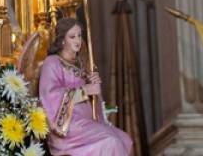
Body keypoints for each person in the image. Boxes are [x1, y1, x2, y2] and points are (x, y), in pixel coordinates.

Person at [38, 17, 133, 155]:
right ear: (62, 40)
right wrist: (85, 91)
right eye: (72, 36)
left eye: (79, 35)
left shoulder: (82, 63)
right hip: (69, 127)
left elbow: (94, 100)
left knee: (125, 139)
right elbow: (50, 97)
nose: (77, 40)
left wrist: (94, 85)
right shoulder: (52, 63)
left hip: (86, 122)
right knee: (112, 142)